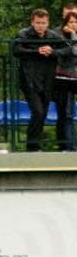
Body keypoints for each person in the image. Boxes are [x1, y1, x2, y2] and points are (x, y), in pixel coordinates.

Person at [13, 9, 65, 152]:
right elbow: (16, 50)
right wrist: (37, 51)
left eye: (43, 23)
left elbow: (68, 49)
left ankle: (35, 145)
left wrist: (52, 52)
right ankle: (32, 146)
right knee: (38, 112)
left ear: (48, 23)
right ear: (32, 22)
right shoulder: (23, 34)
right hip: (29, 81)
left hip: (47, 81)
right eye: (38, 23)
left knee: (43, 113)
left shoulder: (53, 36)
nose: (40, 26)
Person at [54, 8, 77, 152]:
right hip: (64, 78)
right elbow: (74, 52)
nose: (74, 25)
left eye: (76, 22)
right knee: (66, 114)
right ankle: (69, 147)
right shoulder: (57, 34)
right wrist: (74, 36)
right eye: (71, 22)